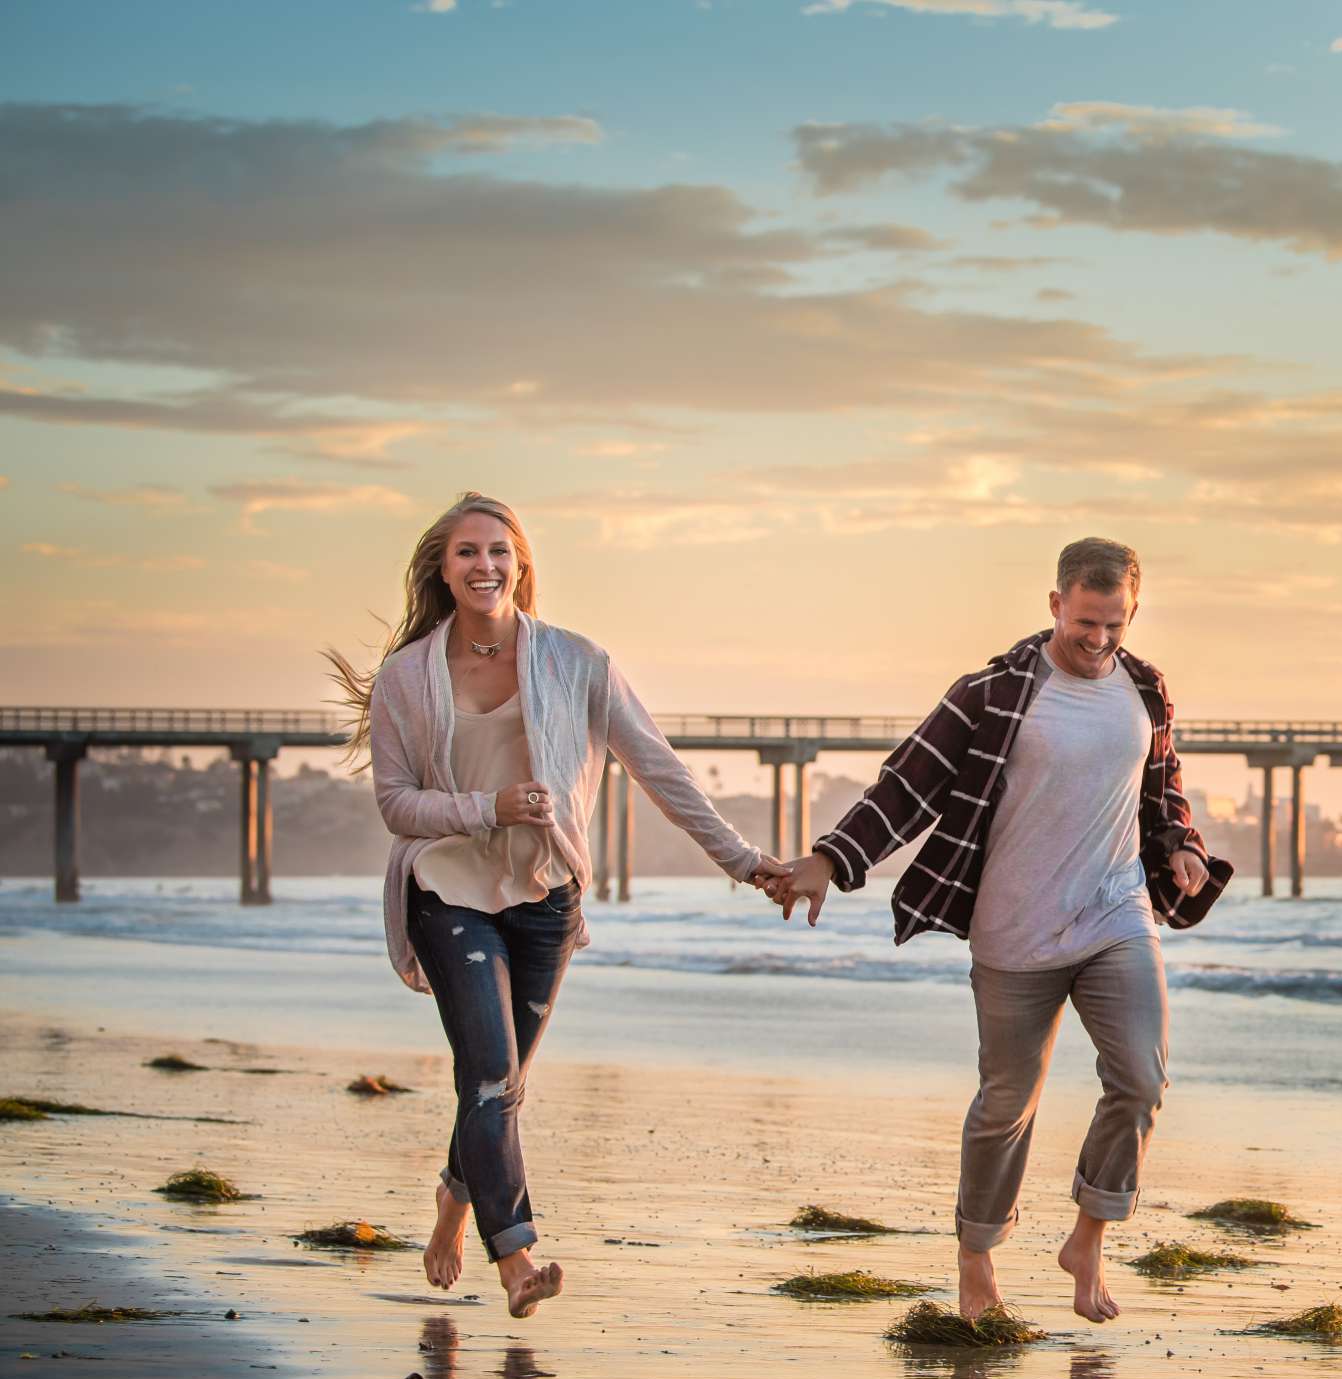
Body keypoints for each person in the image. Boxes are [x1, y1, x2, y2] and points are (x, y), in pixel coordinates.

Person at [327, 492, 784, 1317]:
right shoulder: (408, 677)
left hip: (544, 895)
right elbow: (396, 804)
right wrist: (486, 808)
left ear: (522, 564)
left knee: (499, 1085)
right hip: (447, 888)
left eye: (499, 551)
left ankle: (453, 1204)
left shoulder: (576, 663)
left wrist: (745, 861)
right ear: (443, 567)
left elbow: (661, 771)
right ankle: (518, 1258)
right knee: (493, 1076)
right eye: (467, 552)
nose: (484, 566)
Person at [762, 539, 1232, 1323]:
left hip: (1117, 914)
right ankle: (976, 1257)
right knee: (1007, 1102)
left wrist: (1183, 845)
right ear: (1055, 604)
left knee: (1142, 1080)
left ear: (1133, 613)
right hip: (1014, 930)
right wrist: (831, 859)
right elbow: (907, 783)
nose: (1099, 638)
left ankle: (1088, 1238)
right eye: (1086, 620)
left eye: (1114, 623)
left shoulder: (1145, 688)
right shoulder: (994, 692)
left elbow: (1162, 790)